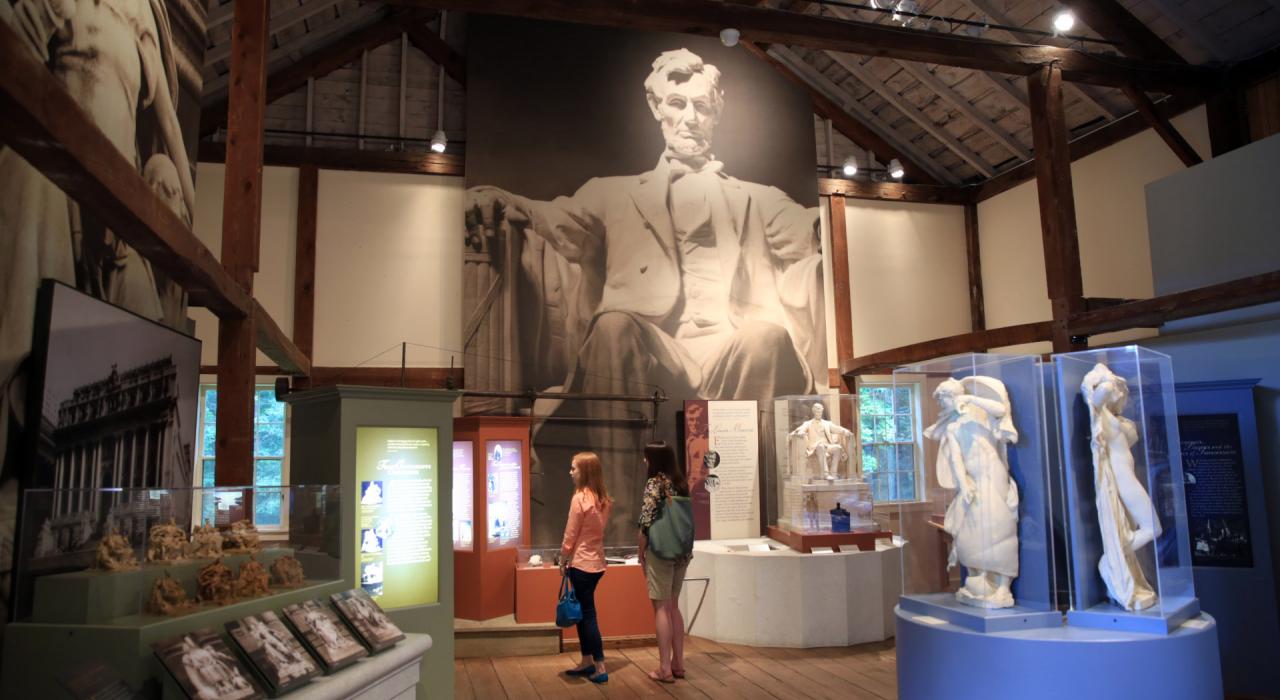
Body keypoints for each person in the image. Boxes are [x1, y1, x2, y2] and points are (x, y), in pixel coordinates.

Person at [466, 48, 825, 532]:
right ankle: (622, 527)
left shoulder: (757, 199)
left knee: (767, 335)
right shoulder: (613, 192)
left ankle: (737, 516)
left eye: (701, 106)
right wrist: (501, 198)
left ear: (715, 113)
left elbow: (807, 229)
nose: (689, 118)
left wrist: (831, 230)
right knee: (613, 327)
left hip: (728, 346)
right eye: (677, 104)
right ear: (657, 108)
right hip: (655, 350)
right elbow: (555, 218)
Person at [923, 377, 1020, 609]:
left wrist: (970, 398)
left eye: (944, 399)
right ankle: (983, 580)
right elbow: (956, 459)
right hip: (974, 480)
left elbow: (1001, 410)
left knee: (1000, 526)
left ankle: (1003, 586)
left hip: (993, 474)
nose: (943, 405)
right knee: (973, 533)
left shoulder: (981, 415)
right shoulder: (953, 428)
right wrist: (964, 484)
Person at [636, 441, 690, 683]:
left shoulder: (654, 483)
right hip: (682, 550)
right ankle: (679, 664)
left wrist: (640, 552)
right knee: (674, 606)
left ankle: (664, 668)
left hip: (661, 550)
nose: (645, 461)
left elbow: (645, 521)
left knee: (660, 607)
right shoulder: (681, 482)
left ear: (654, 459)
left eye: (647, 457)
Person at [559, 451, 613, 684]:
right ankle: (587, 660)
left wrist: (562, 558)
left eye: (574, 468)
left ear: (586, 471)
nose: (570, 472)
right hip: (597, 563)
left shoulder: (579, 498)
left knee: (588, 615)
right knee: (583, 615)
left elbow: (570, 534)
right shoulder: (602, 499)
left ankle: (599, 665)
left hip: (581, 563)